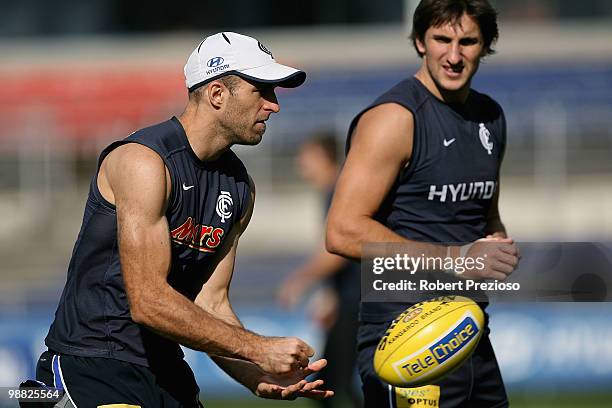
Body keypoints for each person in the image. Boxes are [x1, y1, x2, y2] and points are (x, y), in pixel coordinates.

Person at [32, 32, 333, 407]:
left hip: (165, 371)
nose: (274, 106)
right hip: (91, 366)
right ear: (218, 94)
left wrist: (255, 375)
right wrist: (257, 348)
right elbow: (148, 301)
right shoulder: (144, 161)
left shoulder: (241, 188)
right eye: (262, 91)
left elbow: (212, 303)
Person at [326, 1, 519, 407]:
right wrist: (457, 259)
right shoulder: (394, 118)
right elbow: (342, 231)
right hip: (404, 337)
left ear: (485, 46)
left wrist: (497, 244)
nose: (453, 55)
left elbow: (486, 213)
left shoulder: (491, 116)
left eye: (467, 41)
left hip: (468, 333)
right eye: (441, 40)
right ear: (419, 42)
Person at [277, 133, 362, 408]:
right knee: (333, 384)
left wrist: (299, 281)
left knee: (330, 386)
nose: (301, 163)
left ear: (325, 158)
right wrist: (331, 295)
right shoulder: (334, 191)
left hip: (360, 301)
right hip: (351, 298)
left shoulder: (340, 190)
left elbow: (338, 249)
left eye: (307, 157)